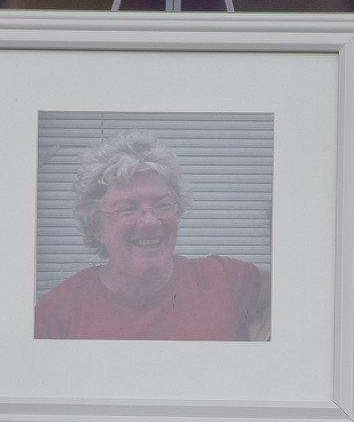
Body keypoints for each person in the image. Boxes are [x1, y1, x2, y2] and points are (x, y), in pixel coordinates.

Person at [34, 129, 271, 341]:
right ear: (96, 227)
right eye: (128, 208)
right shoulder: (57, 315)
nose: (150, 221)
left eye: (162, 204)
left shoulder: (223, 281)